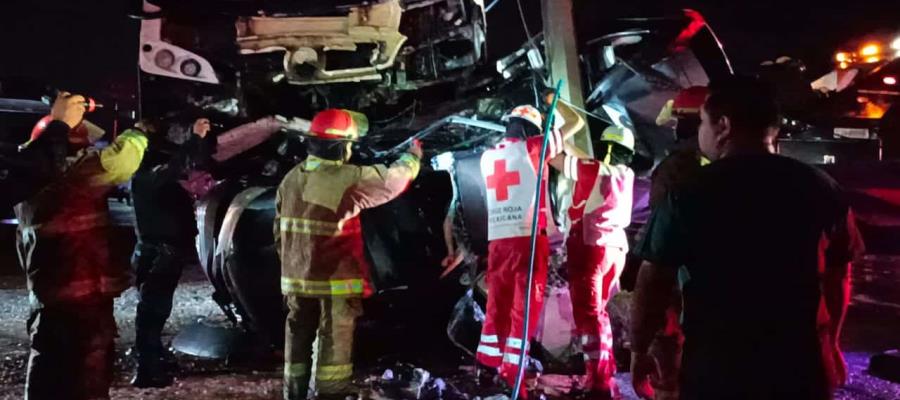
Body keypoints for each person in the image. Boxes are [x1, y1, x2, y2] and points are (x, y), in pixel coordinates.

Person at [630, 76, 864, 399]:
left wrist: (639, 349)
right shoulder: (820, 186)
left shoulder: (688, 194)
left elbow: (653, 278)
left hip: (718, 369)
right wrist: (832, 342)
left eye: (702, 122)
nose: (700, 133)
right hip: (798, 369)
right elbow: (839, 274)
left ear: (723, 126)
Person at [276, 109, 422, 400]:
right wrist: (413, 157)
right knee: (335, 340)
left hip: (295, 278)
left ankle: (294, 393)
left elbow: (279, 233)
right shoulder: (345, 177)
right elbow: (392, 181)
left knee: (298, 335)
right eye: (349, 145)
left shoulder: (291, 179)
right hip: (333, 279)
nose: (350, 151)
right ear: (339, 145)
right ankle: (330, 394)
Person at [15, 92, 149, 400]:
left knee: (49, 374)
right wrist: (141, 131)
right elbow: (119, 160)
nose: (89, 148)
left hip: (56, 298)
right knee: (84, 380)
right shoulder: (74, 173)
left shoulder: (34, 175)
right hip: (79, 301)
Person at [456, 101, 582, 396]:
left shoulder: (488, 157)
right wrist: (556, 104)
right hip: (526, 241)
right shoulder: (532, 148)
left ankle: (487, 365)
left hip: (498, 242)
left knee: (496, 306)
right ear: (530, 130)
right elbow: (574, 123)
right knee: (523, 309)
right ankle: (513, 372)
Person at [548, 125, 635, 399]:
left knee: (588, 317)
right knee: (600, 314)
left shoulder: (594, 168)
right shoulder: (626, 174)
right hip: (616, 247)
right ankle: (604, 371)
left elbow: (553, 158)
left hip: (590, 247)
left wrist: (551, 131)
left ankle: (597, 381)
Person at [129, 117, 215, 387]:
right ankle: (147, 369)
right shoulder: (146, 171)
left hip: (157, 250)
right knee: (153, 311)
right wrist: (196, 139)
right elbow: (173, 166)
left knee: (154, 310)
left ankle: (152, 359)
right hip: (159, 252)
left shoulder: (148, 171)